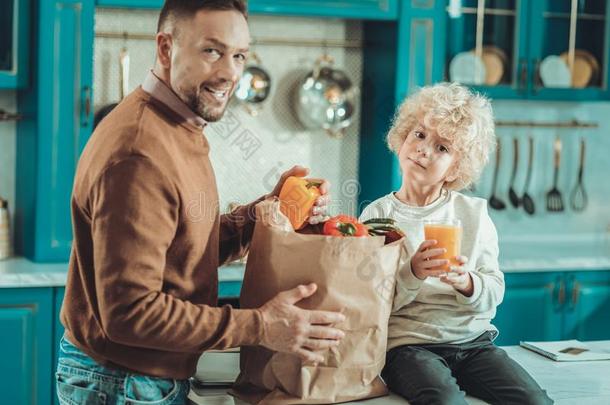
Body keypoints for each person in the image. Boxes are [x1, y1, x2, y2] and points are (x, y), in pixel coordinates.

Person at [56, 1, 345, 404]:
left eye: (239, 55)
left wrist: (263, 214)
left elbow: (185, 245)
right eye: (212, 51)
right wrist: (261, 326)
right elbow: (130, 313)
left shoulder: (176, 125)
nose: (229, 72)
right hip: (123, 383)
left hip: (137, 379)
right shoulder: (140, 153)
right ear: (165, 49)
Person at [360, 83, 552, 405]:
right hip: (408, 346)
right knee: (445, 401)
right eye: (419, 135)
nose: (424, 150)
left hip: (474, 343)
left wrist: (468, 283)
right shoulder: (379, 215)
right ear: (403, 136)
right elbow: (368, 300)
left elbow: (494, 288)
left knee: (536, 401)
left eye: (442, 148)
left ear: (456, 168)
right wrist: (412, 273)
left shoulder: (473, 213)